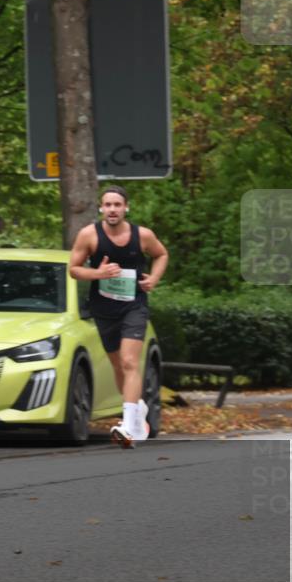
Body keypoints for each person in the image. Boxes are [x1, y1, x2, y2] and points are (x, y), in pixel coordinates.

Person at [69, 185, 169, 448]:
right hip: (103, 308)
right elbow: (74, 270)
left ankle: (128, 425)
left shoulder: (142, 235)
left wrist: (154, 278)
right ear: (101, 208)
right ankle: (137, 411)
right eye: (108, 205)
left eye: (117, 205)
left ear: (126, 208)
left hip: (134, 305)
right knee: (117, 365)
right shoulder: (89, 235)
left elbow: (161, 254)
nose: (112, 209)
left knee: (128, 362)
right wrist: (98, 274)